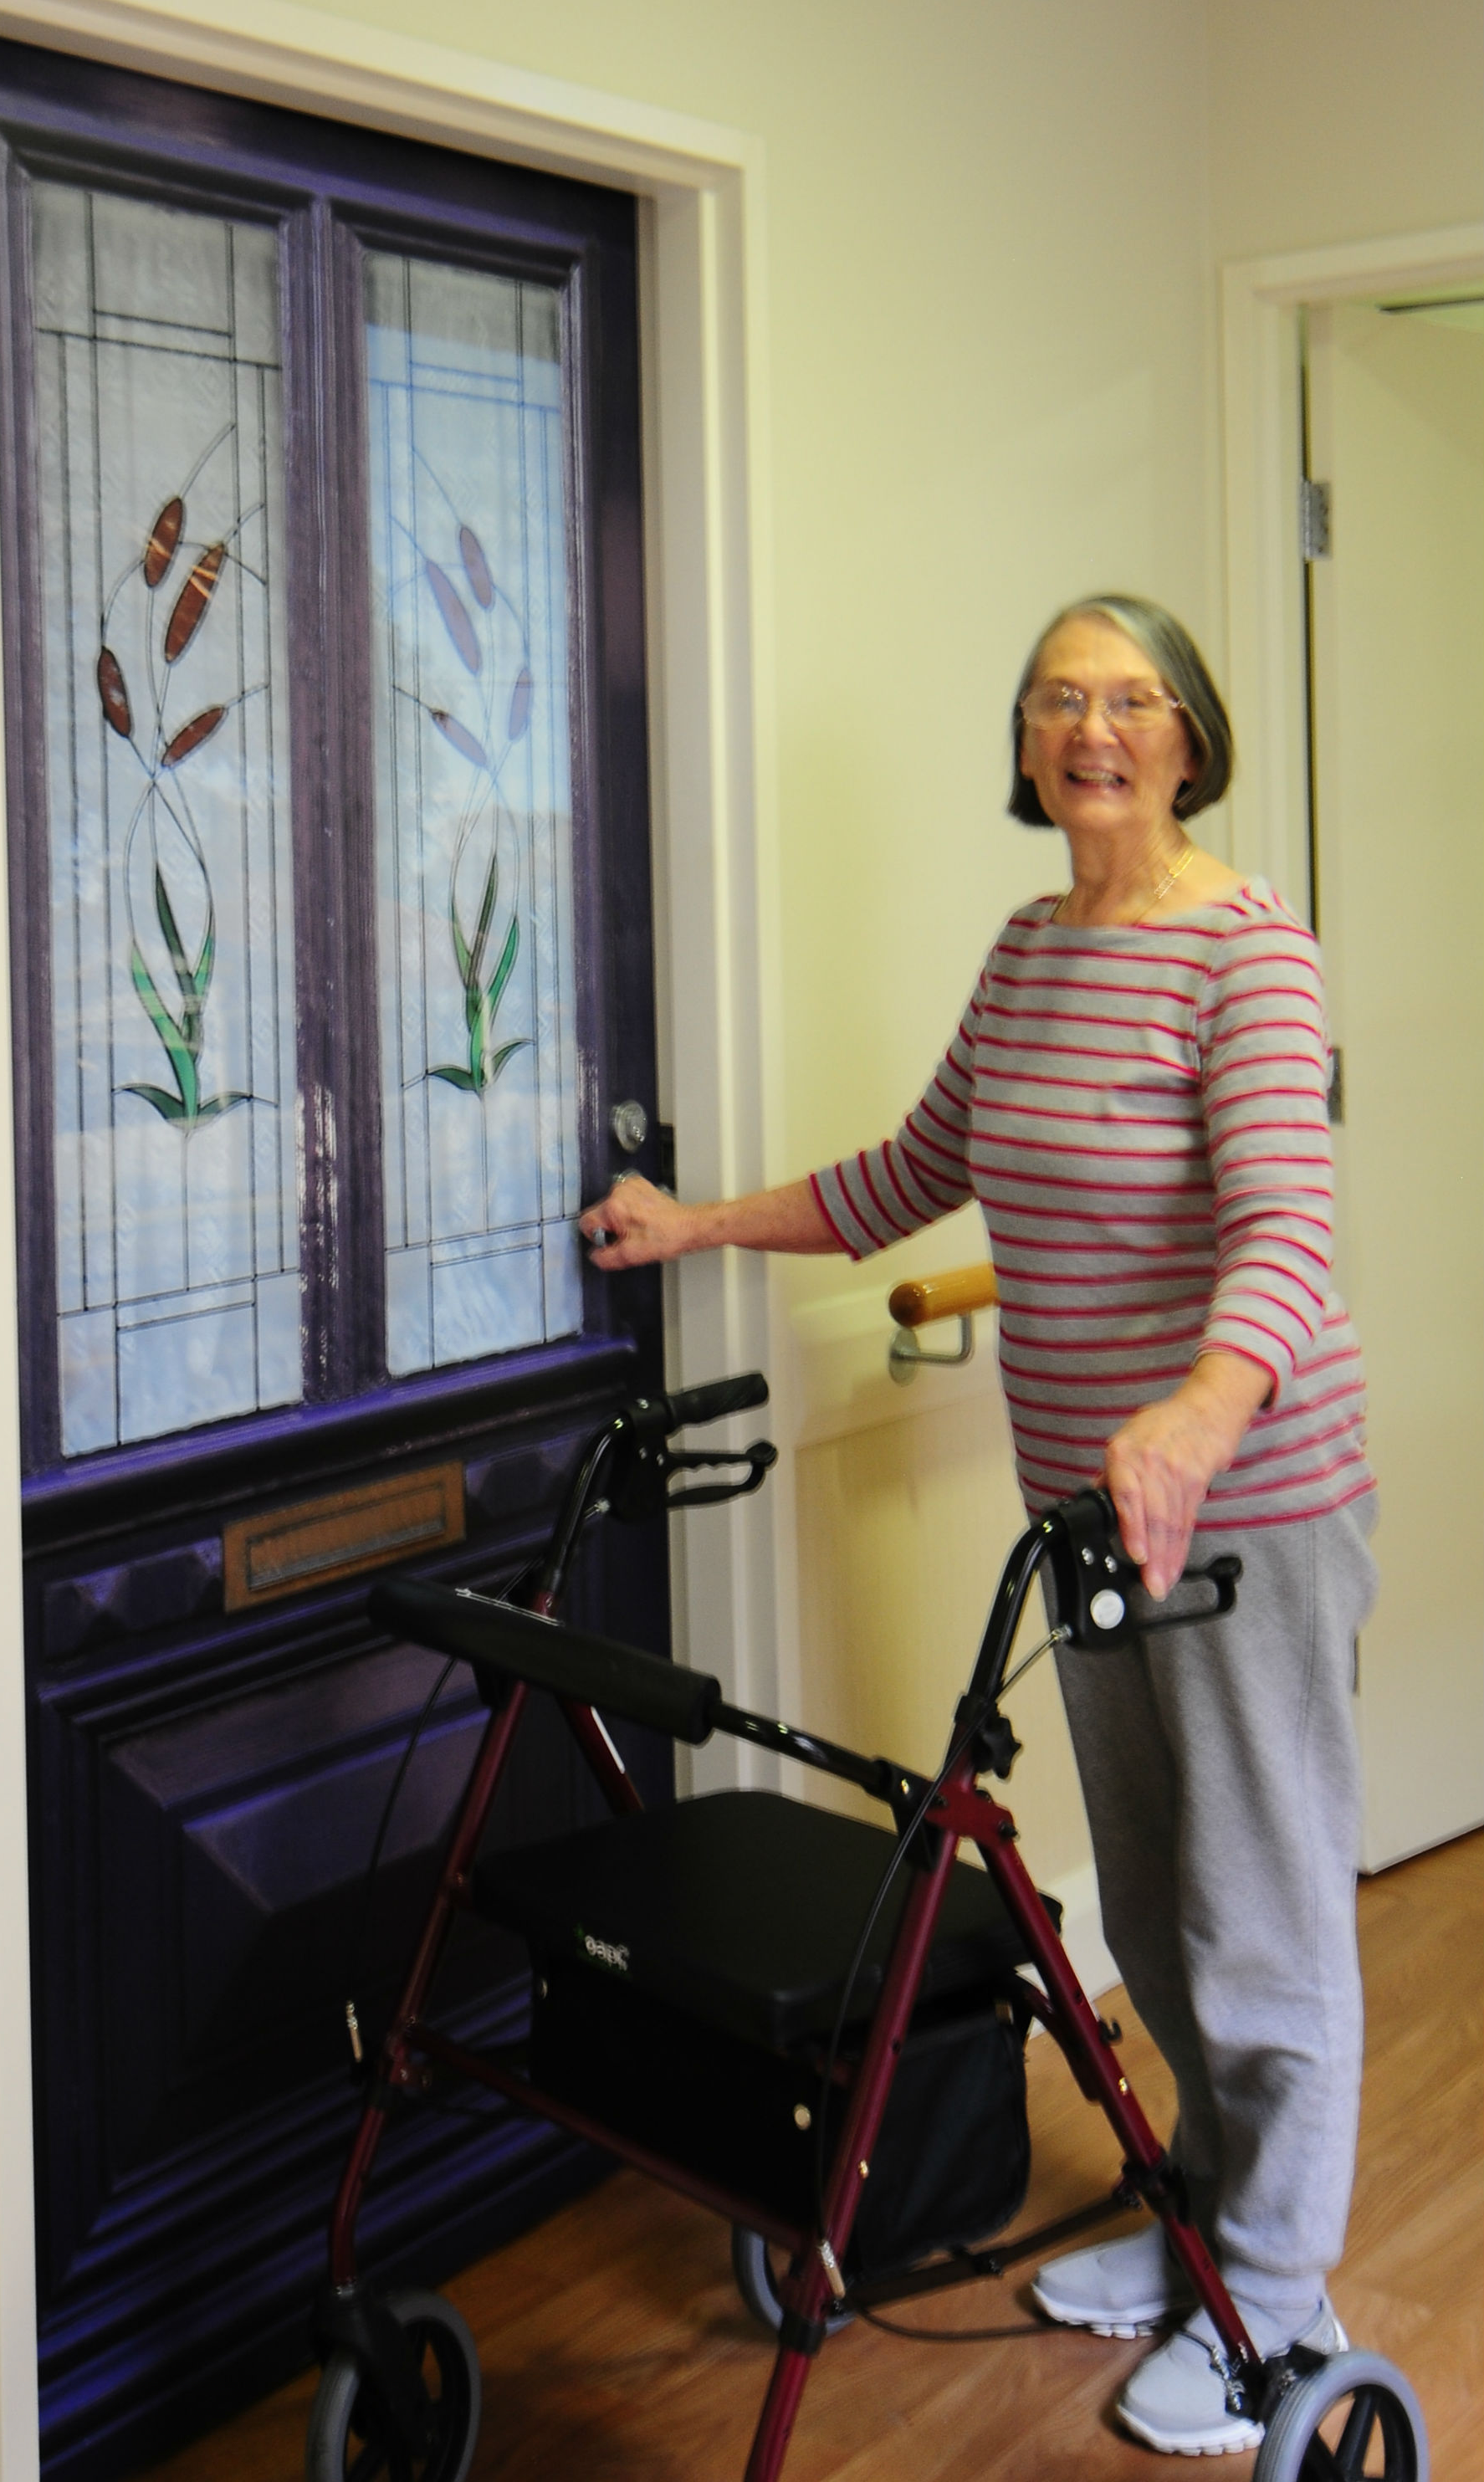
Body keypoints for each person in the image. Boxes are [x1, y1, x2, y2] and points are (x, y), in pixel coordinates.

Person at [579, 594, 1375, 2459]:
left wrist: (1192, 1406)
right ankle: (1198, 2217)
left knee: (1260, 1908)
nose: (1091, 728)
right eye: (1055, 700)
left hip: (1246, 1503)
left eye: (1131, 698)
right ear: (1026, 748)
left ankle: (1276, 2290)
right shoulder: (1031, 949)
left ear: (1191, 735)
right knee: (1164, 1909)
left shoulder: (1248, 949)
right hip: (1093, 1520)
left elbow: (1285, 1230)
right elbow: (912, 1172)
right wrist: (696, 1225)